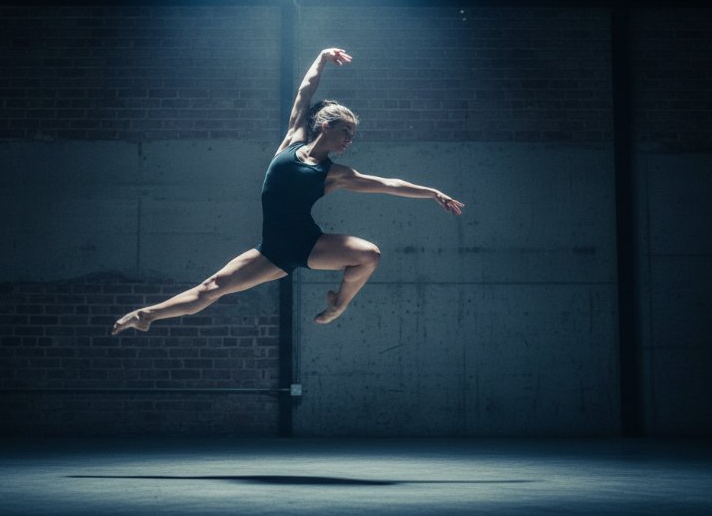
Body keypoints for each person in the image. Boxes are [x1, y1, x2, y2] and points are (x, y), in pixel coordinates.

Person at [112, 48, 464, 335]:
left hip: (310, 245)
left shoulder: (335, 175)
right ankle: (148, 315)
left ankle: (338, 303)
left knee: (369, 254)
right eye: (345, 131)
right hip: (273, 253)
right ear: (325, 126)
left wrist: (432, 192)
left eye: (352, 134)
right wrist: (323, 57)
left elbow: (388, 184)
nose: (349, 139)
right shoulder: (292, 140)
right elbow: (304, 91)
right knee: (212, 288)